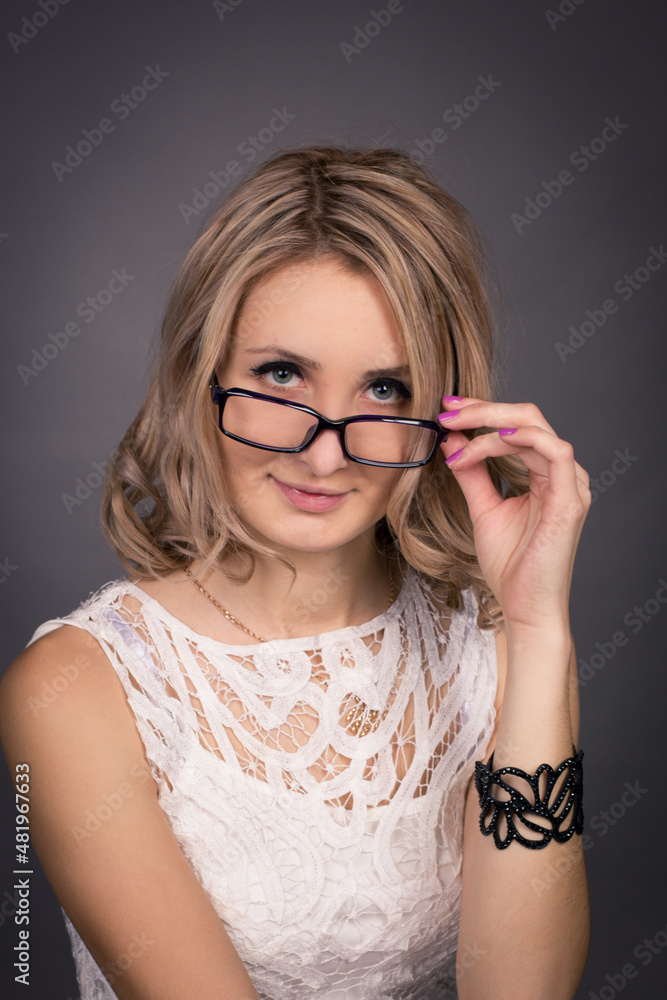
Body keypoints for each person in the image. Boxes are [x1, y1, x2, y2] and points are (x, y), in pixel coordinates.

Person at [0, 145, 591, 1000]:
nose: (324, 452)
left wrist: (536, 634)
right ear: (202, 377)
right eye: (281, 375)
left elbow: (523, 993)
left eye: (385, 389)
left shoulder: (497, 645)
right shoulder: (74, 687)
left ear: (441, 408)